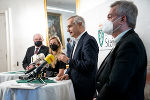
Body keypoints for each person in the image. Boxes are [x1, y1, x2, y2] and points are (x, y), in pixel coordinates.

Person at [94, 1, 147, 100]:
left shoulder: (130, 44)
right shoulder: (123, 41)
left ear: (122, 19)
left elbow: (116, 84)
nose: (107, 21)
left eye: (110, 17)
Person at [58, 15, 99, 100]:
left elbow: (89, 65)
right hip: (76, 87)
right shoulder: (75, 42)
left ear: (80, 24)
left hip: (85, 88)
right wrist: (67, 74)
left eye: (70, 26)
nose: (67, 30)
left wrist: (68, 60)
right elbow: (76, 62)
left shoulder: (89, 40)